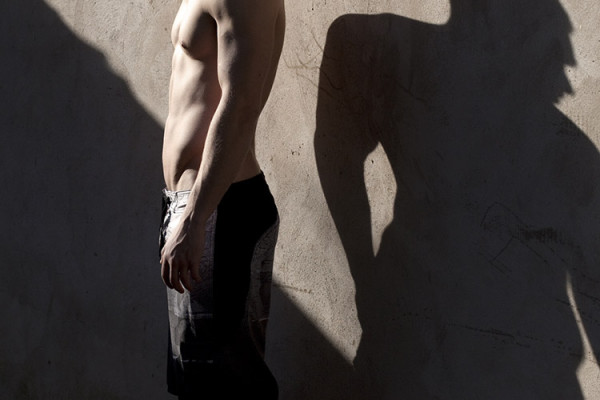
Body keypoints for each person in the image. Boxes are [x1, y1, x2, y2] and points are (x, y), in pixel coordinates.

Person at [158, 0, 285, 398]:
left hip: (218, 207)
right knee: (195, 379)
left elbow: (241, 106)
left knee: (226, 385)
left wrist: (195, 219)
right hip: (193, 206)